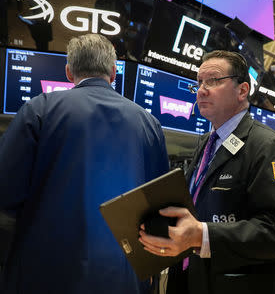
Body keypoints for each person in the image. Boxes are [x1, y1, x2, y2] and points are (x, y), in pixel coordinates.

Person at [0, 34, 169, 293]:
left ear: (69, 71)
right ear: (114, 72)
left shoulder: (39, 109)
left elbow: (5, 192)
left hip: (46, 274)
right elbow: (160, 206)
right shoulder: (149, 123)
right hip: (123, 276)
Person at [139, 50, 275, 294]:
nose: (202, 90)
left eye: (213, 81)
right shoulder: (206, 144)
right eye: (199, 82)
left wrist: (202, 235)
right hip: (193, 279)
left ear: (242, 90)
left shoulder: (269, 147)